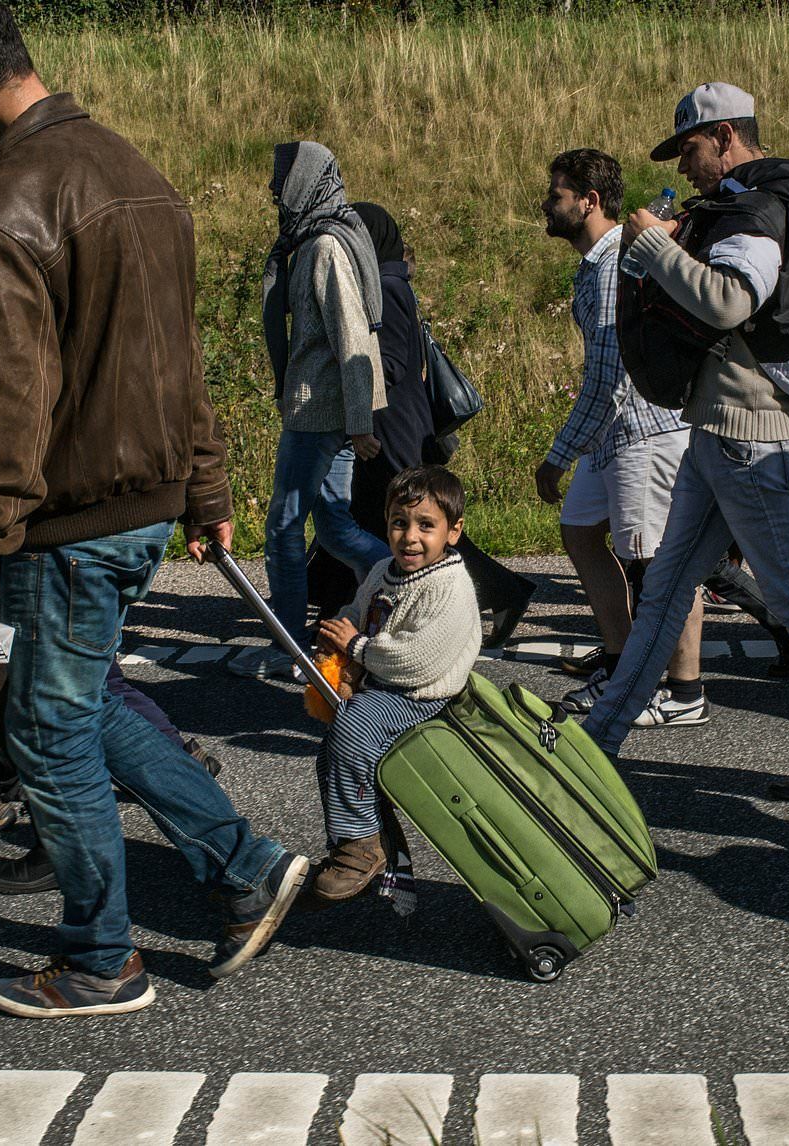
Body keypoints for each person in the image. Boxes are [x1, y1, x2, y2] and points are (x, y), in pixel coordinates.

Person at [0, 0, 306, 1016]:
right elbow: (179, 362)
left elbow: (3, 413)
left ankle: (98, 961)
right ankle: (244, 864)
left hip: (71, 520)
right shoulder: (138, 174)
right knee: (71, 706)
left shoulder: (10, 202)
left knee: (43, 731)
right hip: (141, 502)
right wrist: (203, 486)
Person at [590, 82, 789, 797]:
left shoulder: (751, 211)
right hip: (736, 426)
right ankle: (599, 741)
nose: (686, 166)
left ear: (725, 136)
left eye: (690, 148)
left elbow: (731, 299)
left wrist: (654, 247)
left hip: (746, 432)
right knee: (665, 588)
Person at [306, 202, 536, 646]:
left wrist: (343, 370)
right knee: (367, 515)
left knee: (400, 516)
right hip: (384, 419)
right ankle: (334, 608)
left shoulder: (388, 286)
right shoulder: (382, 282)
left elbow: (389, 365)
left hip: (389, 424)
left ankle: (503, 590)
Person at [537, 148, 711, 728]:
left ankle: (684, 691)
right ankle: (619, 660)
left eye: (558, 194)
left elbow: (608, 375)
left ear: (589, 202)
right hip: (615, 434)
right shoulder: (595, 263)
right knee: (580, 532)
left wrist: (558, 456)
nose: (548, 202)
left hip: (646, 433)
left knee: (658, 564)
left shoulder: (615, 265)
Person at [231, 141, 393, 682]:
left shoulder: (324, 247)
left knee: (281, 526)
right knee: (333, 525)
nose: (275, 191)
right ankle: (401, 587)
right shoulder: (316, 241)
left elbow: (352, 336)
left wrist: (358, 422)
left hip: (319, 415)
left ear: (306, 183)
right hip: (327, 412)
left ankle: (289, 648)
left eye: (283, 180)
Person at [309, 465, 481, 903]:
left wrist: (359, 648)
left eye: (427, 526)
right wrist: (338, 640)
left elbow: (418, 659)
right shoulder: (385, 569)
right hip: (386, 682)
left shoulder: (449, 585)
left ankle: (361, 846)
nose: (410, 537)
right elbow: (359, 607)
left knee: (352, 730)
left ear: (453, 532)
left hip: (421, 694)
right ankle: (358, 836)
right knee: (331, 749)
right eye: (399, 523)